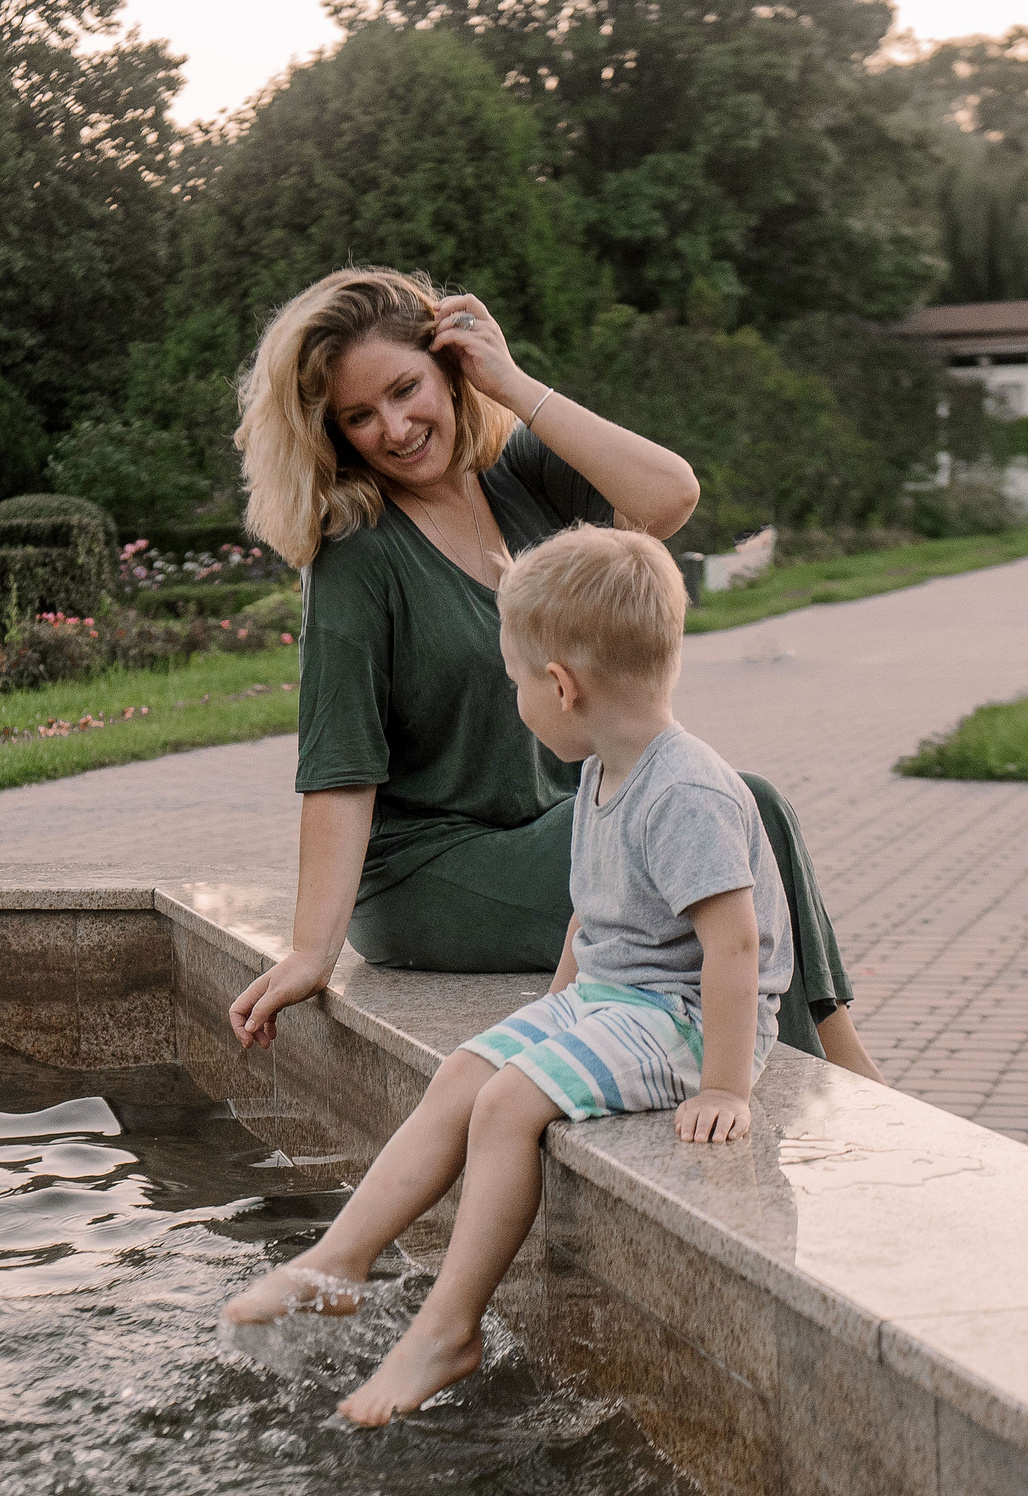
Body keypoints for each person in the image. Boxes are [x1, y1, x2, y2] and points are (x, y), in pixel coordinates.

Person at [223, 266, 882, 1082]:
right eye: (360, 416)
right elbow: (340, 765)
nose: (394, 428)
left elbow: (670, 496)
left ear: (451, 369)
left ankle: (843, 1066)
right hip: (436, 868)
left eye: (406, 388)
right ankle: (832, 1090)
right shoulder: (355, 552)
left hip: (560, 826)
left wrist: (515, 383)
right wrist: (310, 950)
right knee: (720, 846)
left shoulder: (521, 472)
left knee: (754, 806)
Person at [224, 526, 787, 1426]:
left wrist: (726, 1083)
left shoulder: (687, 791)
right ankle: (336, 1263)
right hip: (615, 1001)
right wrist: (557, 1006)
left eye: (518, 682)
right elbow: (590, 914)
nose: (517, 699)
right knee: (464, 1073)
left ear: (561, 686)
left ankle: (449, 1326)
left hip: (683, 1020)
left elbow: (736, 946)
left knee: (508, 1104)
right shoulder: (608, 769)